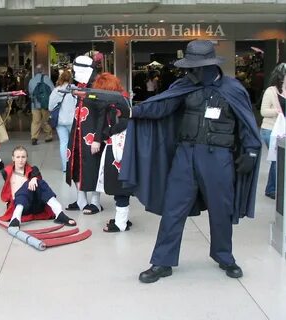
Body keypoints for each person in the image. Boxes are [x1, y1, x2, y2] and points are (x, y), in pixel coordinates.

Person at [118, 40, 262, 283]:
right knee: (173, 210)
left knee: (221, 210)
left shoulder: (233, 89)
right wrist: (132, 111)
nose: (190, 71)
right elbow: (161, 106)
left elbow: (246, 123)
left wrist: (251, 151)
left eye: (195, 67)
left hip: (218, 158)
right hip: (185, 156)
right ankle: (162, 262)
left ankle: (224, 256)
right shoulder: (183, 86)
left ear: (209, 65)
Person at [90, 73, 133, 232]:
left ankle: (121, 224)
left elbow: (123, 122)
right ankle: (123, 219)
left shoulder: (116, 101)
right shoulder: (122, 98)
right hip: (121, 144)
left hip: (117, 145)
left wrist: (105, 133)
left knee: (118, 185)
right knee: (120, 184)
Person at [0, 145, 76, 228]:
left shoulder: (33, 170)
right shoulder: (6, 172)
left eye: (23, 157)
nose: (20, 160)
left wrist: (34, 178)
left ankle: (59, 213)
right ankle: (16, 216)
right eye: (18, 157)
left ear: (26, 158)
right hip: (19, 206)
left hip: (34, 205)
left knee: (39, 182)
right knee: (28, 184)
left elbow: (40, 188)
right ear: (13, 158)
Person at [65, 55, 104, 215]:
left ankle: (95, 202)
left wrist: (98, 138)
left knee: (93, 166)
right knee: (75, 165)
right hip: (77, 133)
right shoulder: (80, 85)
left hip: (92, 133)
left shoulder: (99, 86)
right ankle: (81, 199)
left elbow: (103, 114)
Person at [259, 63, 286, 199]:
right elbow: (263, 111)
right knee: (278, 160)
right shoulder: (271, 91)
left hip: (282, 130)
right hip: (270, 130)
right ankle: (274, 189)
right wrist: (277, 111)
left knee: (278, 160)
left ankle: (271, 188)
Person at [48, 70, 76, 172]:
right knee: (73, 143)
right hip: (72, 120)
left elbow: (50, 107)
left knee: (63, 143)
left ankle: (65, 167)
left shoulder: (56, 91)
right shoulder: (74, 90)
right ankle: (74, 166)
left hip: (60, 121)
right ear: (71, 79)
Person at [28, 64, 54, 145]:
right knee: (45, 121)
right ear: (42, 70)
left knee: (35, 121)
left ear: (35, 71)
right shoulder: (46, 79)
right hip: (45, 104)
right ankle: (48, 135)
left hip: (34, 104)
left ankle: (34, 137)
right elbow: (53, 90)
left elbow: (30, 92)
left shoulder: (31, 80)